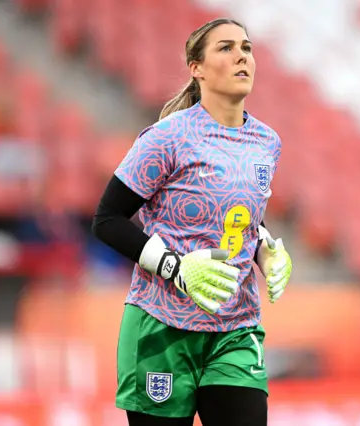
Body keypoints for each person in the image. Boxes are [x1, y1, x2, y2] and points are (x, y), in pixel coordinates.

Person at [92, 18, 293, 426]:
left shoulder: (267, 143)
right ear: (196, 68)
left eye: (247, 48)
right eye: (226, 48)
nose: (241, 56)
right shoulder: (167, 138)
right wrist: (177, 268)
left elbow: (243, 222)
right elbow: (107, 220)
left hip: (236, 328)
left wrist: (265, 253)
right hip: (162, 329)